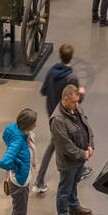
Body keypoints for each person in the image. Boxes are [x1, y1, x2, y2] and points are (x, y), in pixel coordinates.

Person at [34, 43, 83, 194]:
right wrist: (82, 92)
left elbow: (43, 92)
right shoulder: (72, 77)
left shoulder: (50, 72)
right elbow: (76, 100)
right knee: (61, 143)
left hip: (52, 114)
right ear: (71, 57)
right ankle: (39, 180)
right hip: (66, 116)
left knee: (59, 142)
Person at [51, 85, 94, 215]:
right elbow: (65, 146)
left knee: (75, 183)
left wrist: (90, 145)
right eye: (74, 102)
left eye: (78, 101)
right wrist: (83, 154)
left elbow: (87, 127)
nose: (77, 105)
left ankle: (74, 206)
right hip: (68, 162)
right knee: (64, 190)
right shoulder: (57, 120)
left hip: (80, 158)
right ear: (65, 100)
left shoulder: (76, 108)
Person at [0, 107, 37, 215]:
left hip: (16, 179)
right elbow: (4, 162)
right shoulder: (18, 141)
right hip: (20, 184)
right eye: (34, 123)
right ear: (28, 125)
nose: (36, 125)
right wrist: (15, 166)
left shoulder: (12, 128)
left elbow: (4, 135)